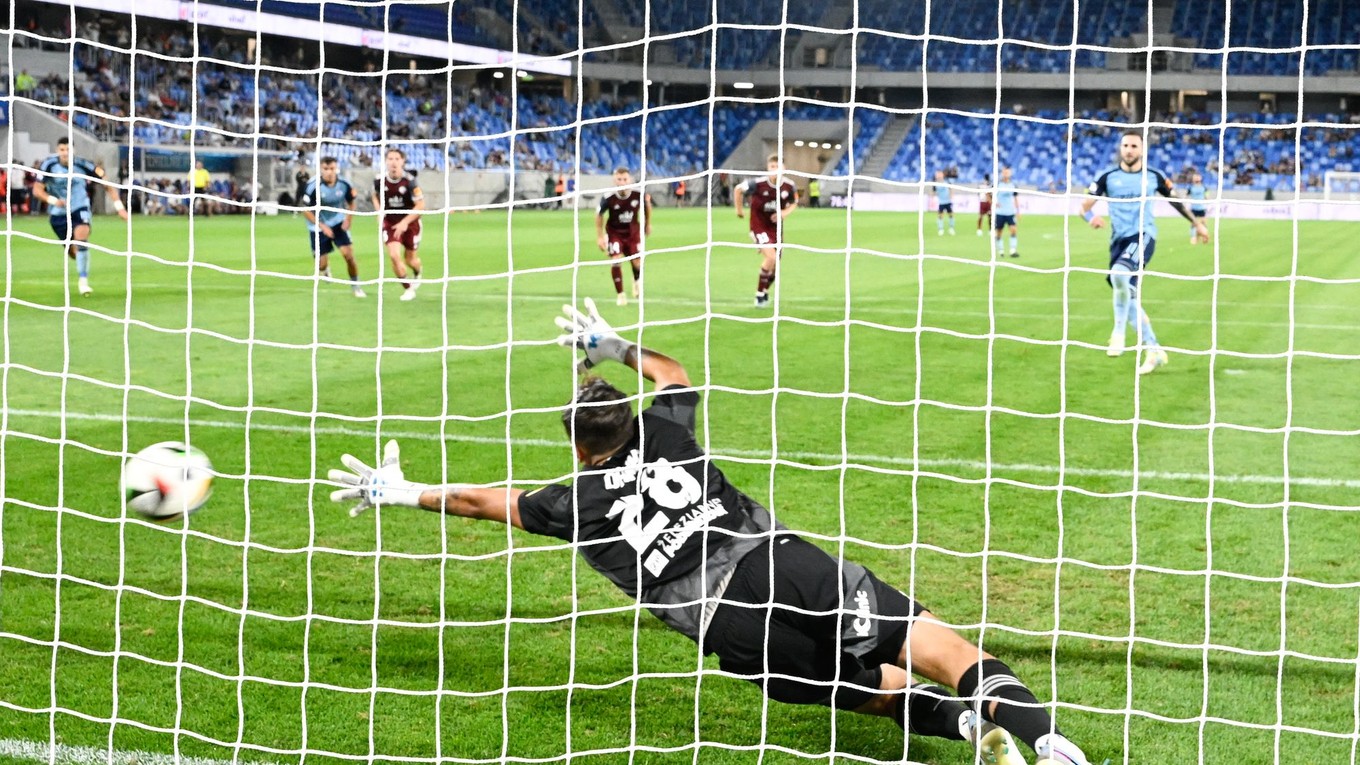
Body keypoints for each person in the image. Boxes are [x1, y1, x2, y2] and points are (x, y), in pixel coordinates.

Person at [327, 299, 1097, 765]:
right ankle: (1050, 740)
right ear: (627, 420)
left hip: (727, 627)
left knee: (869, 693)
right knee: (945, 650)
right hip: (777, 564)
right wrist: (614, 346)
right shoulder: (665, 435)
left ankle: (965, 726)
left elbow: (481, 502)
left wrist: (401, 491)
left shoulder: (578, 502)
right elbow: (674, 372)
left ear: (575, 445)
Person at [1079, 130, 1209, 375]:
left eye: (1134, 146)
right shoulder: (1107, 177)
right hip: (1118, 241)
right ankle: (1155, 350)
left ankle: (1117, 334)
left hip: (1143, 236)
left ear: (1142, 150)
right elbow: (1083, 207)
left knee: (1119, 276)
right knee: (1130, 299)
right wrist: (1091, 217)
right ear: (1121, 148)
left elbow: (1176, 201)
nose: (1129, 150)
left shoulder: (1153, 176)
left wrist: (1197, 223)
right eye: (1125, 145)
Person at [32, 137, 128, 297]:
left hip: (80, 208)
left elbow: (107, 185)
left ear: (73, 151)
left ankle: (83, 281)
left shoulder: (83, 165)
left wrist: (119, 208)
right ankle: (79, 260)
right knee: (72, 251)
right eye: (62, 150)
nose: (65, 153)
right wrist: (53, 200)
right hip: (58, 214)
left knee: (81, 238)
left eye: (68, 149)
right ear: (57, 151)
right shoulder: (48, 165)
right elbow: (37, 190)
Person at [734, 154, 798, 308]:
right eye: (772, 167)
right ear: (768, 168)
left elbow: (794, 201)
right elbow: (737, 189)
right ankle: (759, 296)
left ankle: (764, 290)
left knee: (775, 268)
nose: (774, 170)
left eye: (777, 167)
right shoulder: (757, 183)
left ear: (784, 169)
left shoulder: (789, 185)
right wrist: (739, 210)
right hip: (759, 227)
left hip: (776, 229)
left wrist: (784, 213)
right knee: (771, 257)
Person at [299, 155, 364, 298]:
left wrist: (348, 219)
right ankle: (325, 268)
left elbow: (352, 202)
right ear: (321, 169)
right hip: (317, 226)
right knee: (320, 265)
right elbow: (305, 210)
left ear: (337, 169)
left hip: (338, 223)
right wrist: (322, 226)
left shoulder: (344, 184)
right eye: (326, 169)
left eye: (332, 168)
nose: (329, 172)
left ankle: (356, 286)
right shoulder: (312, 186)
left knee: (349, 256)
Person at [372, 147, 424, 301]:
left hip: (411, 223)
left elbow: (420, 206)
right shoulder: (379, 180)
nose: (393, 162)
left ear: (403, 161)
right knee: (394, 255)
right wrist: (379, 211)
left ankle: (418, 271)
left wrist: (404, 223)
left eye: (397, 159)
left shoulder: (410, 181)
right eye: (390, 159)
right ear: (386, 161)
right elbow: (375, 195)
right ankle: (408, 289)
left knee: (410, 260)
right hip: (390, 222)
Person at [595, 167, 652, 305]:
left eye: (625, 179)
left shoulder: (638, 193)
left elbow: (647, 207)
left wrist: (647, 224)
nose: (622, 182)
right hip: (615, 233)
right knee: (616, 259)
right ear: (615, 180)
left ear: (630, 179)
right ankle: (620, 294)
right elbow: (599, 215)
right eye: (619, 179)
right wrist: (600, 236)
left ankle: (636, 281)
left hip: (633, 233)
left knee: (637, 262)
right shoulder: (608, 196)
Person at [992, 168, 1019, 258]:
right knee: (999, 232)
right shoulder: (997, 184)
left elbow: (1015, 198)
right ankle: (1001, 250)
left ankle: (1013, 250)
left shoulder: (1013, 185)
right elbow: (988, 194)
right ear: (1002, 173)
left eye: (1008, 172)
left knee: (1013, 230)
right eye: (1005, 172)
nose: (1006, 174)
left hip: (1010, 212)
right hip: (1000, 212)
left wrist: (1018, 211)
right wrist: (994, 202)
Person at [1185, 172, 1209, 244]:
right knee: (1193, 223)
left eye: (1197, 177)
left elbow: (1207, 197)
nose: (1196, 178)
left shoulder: (1204, 188)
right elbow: (1186, 196)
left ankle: (1204, 236)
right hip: (1194, 208)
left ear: (1200, 178)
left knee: (1204, 222)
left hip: (1201, 208)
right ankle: (1193, 237)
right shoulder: (1190, 188)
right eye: (1195, 177)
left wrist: (1206, 200)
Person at [932, 171, 955, 236]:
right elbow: (933, 192)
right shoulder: (935, 184)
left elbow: (951, 189)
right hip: (941, 202)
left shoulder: (947, 182)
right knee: (940, 216)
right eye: (938, 176)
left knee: (951, 215)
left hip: (948, 201)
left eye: (940, 176)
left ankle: (951, 228)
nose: (939, 177)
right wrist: (933, 197)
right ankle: (941, 229)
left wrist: (951, 195)